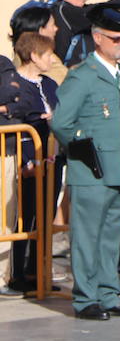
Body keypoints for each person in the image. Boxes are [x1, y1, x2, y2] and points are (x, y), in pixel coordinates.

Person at [50, 4, 120, 317]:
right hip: (92, 169)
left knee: (111, 237)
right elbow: (61, 122)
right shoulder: (83, 76)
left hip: (119, 170)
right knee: (86, 238)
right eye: (117, 39)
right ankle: (86, 298)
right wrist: (84, 146)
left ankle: (109, 293)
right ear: (98, 38)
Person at [8, 32, 60, 295]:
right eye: (48, 54)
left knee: (46, 216)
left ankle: (39, 271)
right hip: (29, 159)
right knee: (24, 217)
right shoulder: (15, 83)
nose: (52, 59)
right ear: (33, 56)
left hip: (52, 160)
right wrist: (27, 159)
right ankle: (18, 274)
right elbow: (16, 122)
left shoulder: (49, 84)